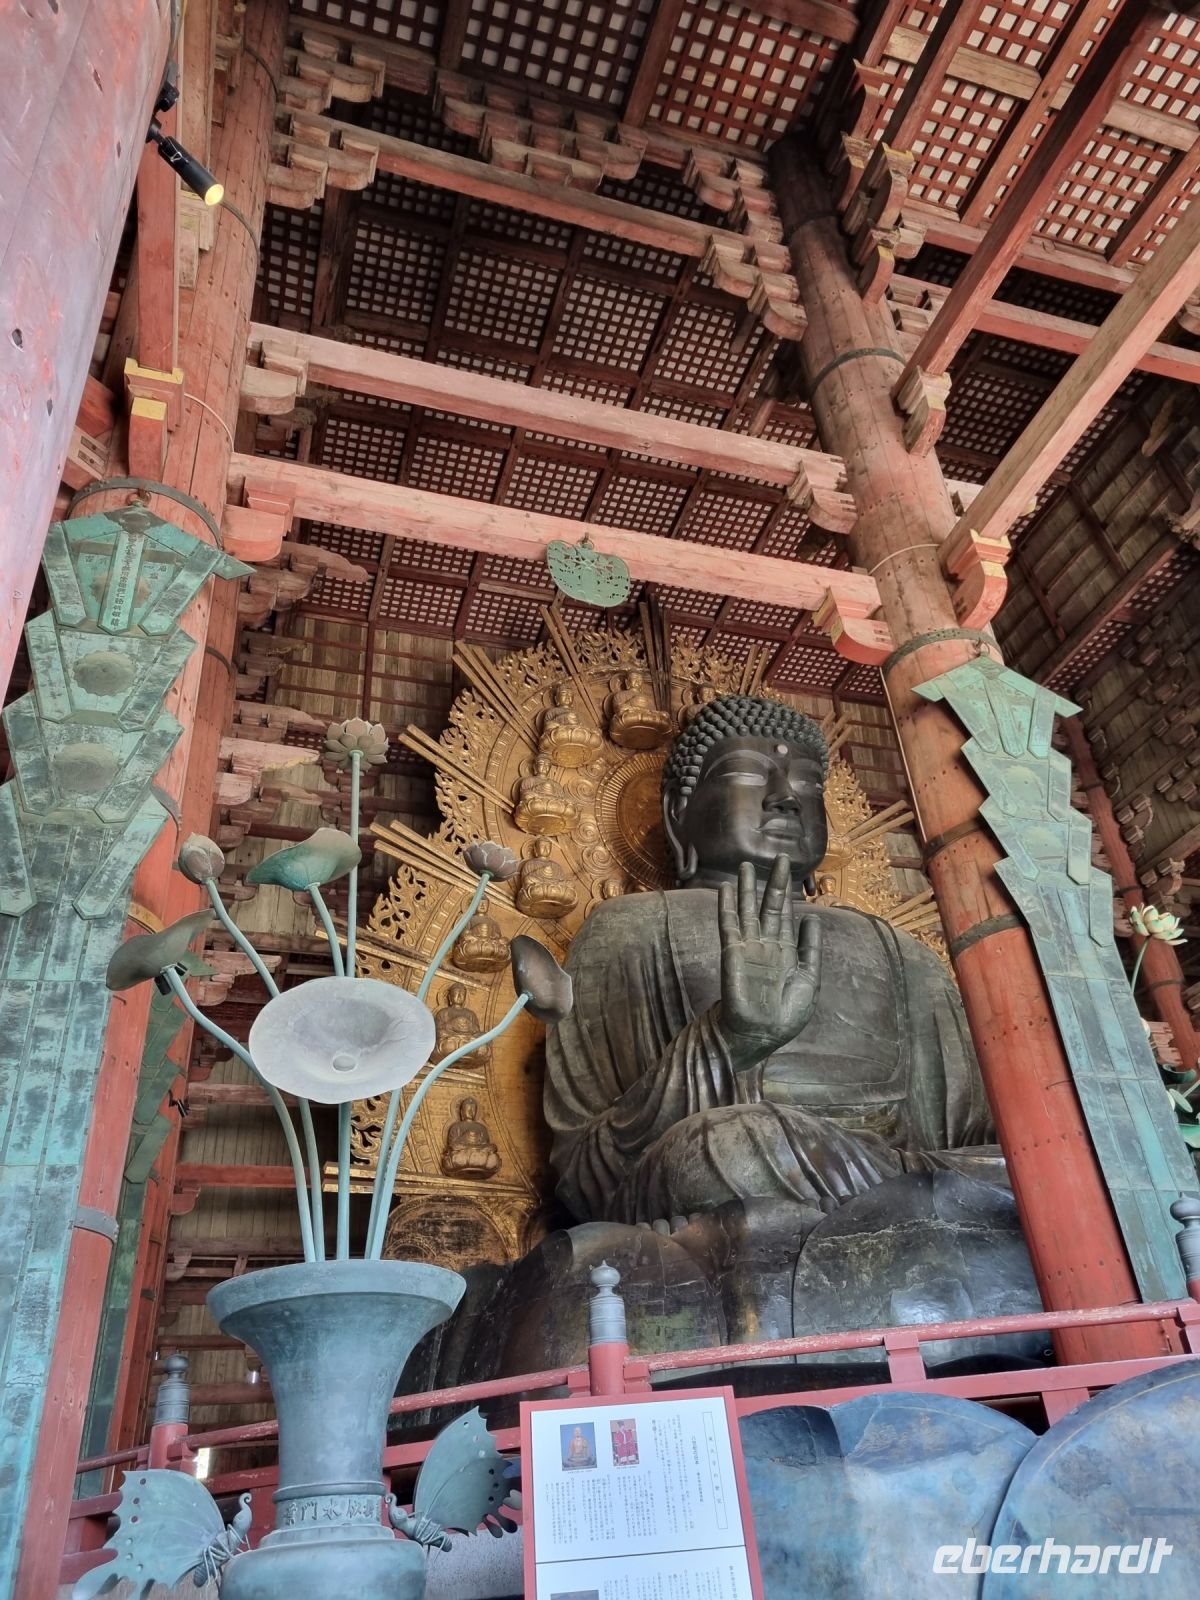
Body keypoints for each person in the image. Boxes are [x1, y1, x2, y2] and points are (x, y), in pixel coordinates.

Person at [545, 694, 993, 1225]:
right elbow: (581, 1178)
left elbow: (978, 1141)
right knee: (728, 1146)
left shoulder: (902, 953)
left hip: (895, 1174)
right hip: (736, 1165)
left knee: (1047, 1161)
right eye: (750, 775)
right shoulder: (630, 927)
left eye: (807, 782)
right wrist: (728, 1042)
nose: (786, 798)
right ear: (677, 813)